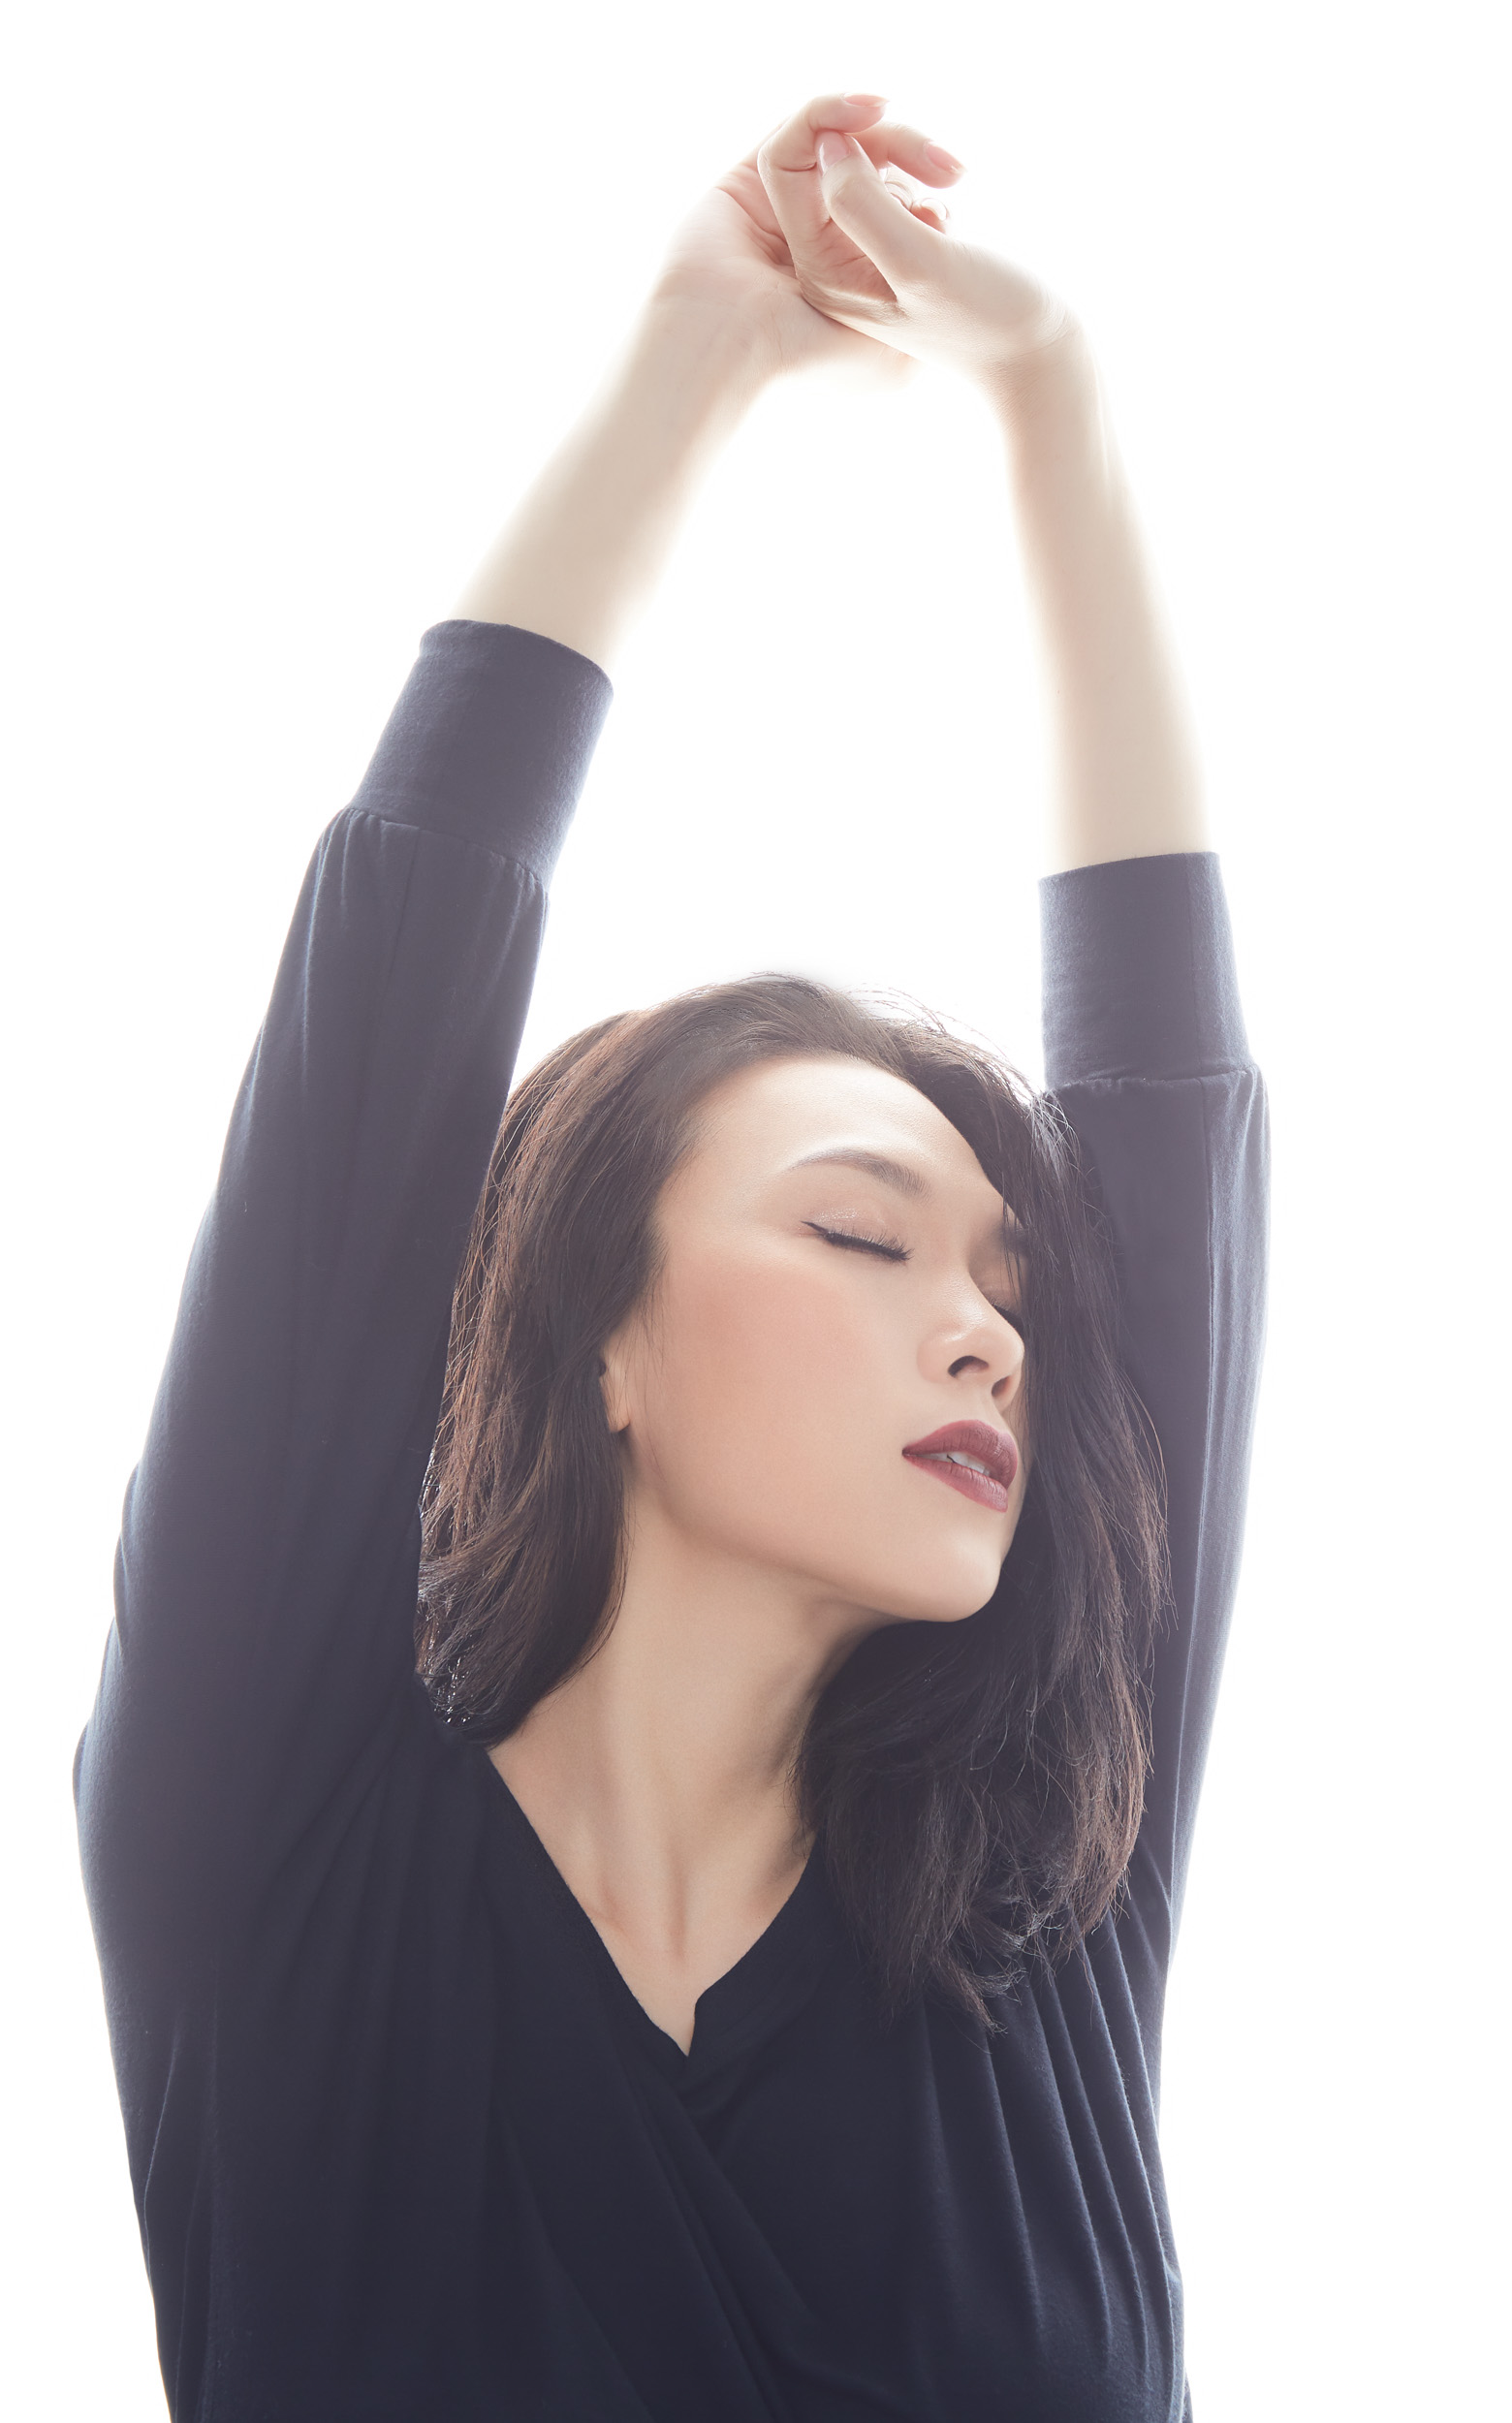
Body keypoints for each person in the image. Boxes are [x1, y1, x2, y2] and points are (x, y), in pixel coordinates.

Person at [75, 89, 1268, 2423]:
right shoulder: (270, 1855)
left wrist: (1055, 405)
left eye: (1011, 1291)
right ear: (591, 1330)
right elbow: (382, 1012)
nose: (986, 1334)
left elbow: (1171, 1148)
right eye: (860, 1226)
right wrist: (689, 359)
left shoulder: (1046, 1913)